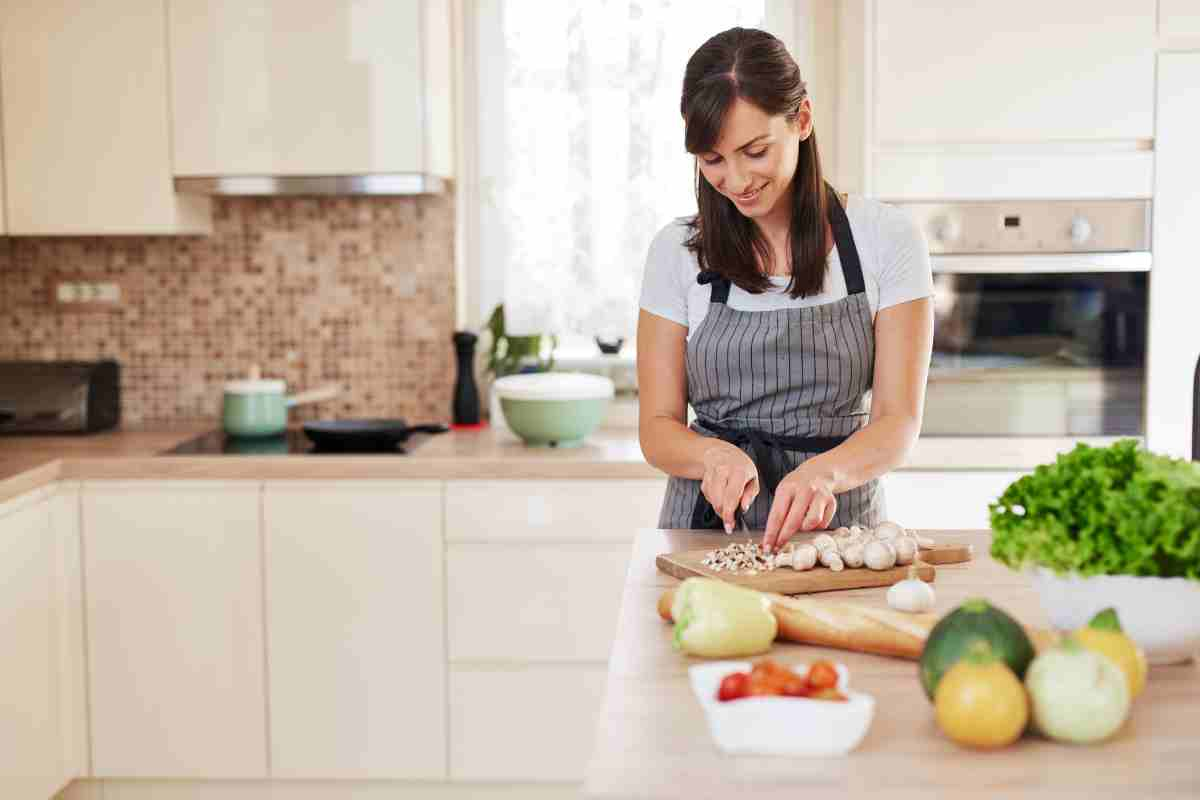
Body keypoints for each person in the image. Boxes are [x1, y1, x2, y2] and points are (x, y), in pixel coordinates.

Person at [637, 27, 934, 553]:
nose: (735, 180)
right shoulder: (676, 250)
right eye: (713, 160)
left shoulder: (887, 239)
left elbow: (897, 422)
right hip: (706, 535)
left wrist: (826, 473)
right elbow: (657, 427)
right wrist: (711, 456)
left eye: (754, 151)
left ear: (801, 120)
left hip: (841, 537)